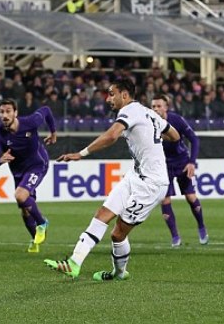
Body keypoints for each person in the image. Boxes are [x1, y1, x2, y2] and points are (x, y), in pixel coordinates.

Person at [44, 79, 180, 280]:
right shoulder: (149, 113)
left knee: (117, 234)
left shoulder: (130, 111)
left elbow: (111, 136)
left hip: (152, 185)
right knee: (102, 214)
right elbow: (175, 135)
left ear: (124, 95)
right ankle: (74, 263)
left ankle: (119, 273)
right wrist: (154, 138)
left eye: (111, 94)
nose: (109, 99)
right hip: (135, 176)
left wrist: (81, 154)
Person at [0, 99, 56, 253]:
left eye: (8, 111)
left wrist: (53, 132)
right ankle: (35, 239)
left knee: (20, 195)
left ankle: (42, 223)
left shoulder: (30, 122)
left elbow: (45, 110)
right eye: (2, 112)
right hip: (18, 171)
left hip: (37, 164)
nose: (4, 115)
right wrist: (0, 159)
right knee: (25, 209)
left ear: (15, 113)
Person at [151, 94, 208, 247]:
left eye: (159, 106)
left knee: (190, 196)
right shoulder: (148, 123)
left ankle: (201, 227)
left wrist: (192, 162)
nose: (156, 109)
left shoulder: (176, 120)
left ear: (166, 107)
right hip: (162, 166)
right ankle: (175, 237)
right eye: (153, 106)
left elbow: (194, 139)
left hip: (182, 162)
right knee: (165, 199)